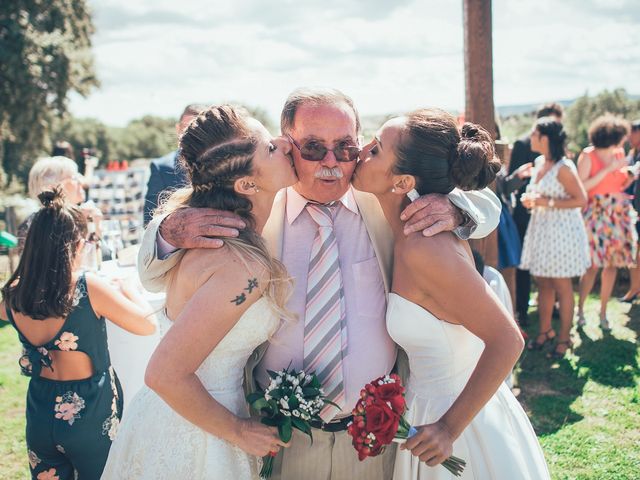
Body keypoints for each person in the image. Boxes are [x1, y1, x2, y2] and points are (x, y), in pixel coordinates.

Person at [137, 88, 501, 480]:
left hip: (376, 440)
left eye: (344, 147)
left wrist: (458, 208)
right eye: (312, 148)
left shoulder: (386, 204)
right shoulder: (255, 211)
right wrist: (167, 231)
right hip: (282, 438)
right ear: (287, 144)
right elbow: (152, 277)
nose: (331, 162)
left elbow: (486, 203)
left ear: (360, 146)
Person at [352, 108, 549, 479]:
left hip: (454, 424)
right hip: (427, 412)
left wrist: (448, 429)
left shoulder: (427, 247)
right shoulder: (409, 229)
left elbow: (508, 339)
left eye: (376, 148)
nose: (362, 150)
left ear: (403, 181)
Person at [101, 105, 297, 479]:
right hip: (201, 430)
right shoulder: (240, 265)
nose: (283, 143)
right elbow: (163, 373)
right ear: (246, 185)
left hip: (179, 415)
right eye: (269, 148)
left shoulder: (218, 235)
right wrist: (238, 431)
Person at [0, 188, 156, 480]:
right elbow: (147, 324)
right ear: (78, 245)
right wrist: (128, 290)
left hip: (40, 413)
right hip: (89, 416)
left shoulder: (13, 295)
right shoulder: (87, 288)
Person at [519, 118, 590, 358]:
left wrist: (545, 202)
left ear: (546, 138)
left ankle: (564, 338)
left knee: (562, 285)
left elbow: (581, 200)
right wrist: (531, 200)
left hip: (562, 233)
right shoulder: (539, 162)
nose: (530, 136)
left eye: (534, 133)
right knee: (543, 282)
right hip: (542, 230)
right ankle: (545, 331)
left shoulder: (564, 167)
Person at [576, 115, 636, 331]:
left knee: (612, 264)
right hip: (595, 212)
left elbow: (618, 183)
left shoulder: (619, 154)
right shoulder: (588, 155)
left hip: (617, 212)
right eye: (621, 137)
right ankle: (580, 310)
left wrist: (627, 177)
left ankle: (603, 312)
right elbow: (582, 187)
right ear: (612, 136)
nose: (624, 141)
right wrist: (608, 170)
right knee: (592, 265)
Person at [508, 102, 564, 326]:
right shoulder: (523, 144)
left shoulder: (560, 153)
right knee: (524, 265)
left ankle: (552, 306)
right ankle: (522, 309)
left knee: (550, 265)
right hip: (525, 214)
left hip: (551, 217)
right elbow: (517, 180)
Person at [17, 156, 103, 253]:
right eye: (74, 177)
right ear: (52, 186)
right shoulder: (42, 224)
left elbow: (100, 258)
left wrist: (96, 229)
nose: (81, 182)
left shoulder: (77, 217)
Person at [143, 103, 207, 226]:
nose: (191, 133)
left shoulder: (221, 164)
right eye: (186, 127)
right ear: (178, 128)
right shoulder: (161, 168)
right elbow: (150, 220)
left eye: (196, 128)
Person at [620, 119, 640, 302]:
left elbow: (633, 172)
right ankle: (635, 288)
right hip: (634, 210)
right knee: (635, 252)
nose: (629, 137)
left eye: (632, 132)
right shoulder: (632, 154)